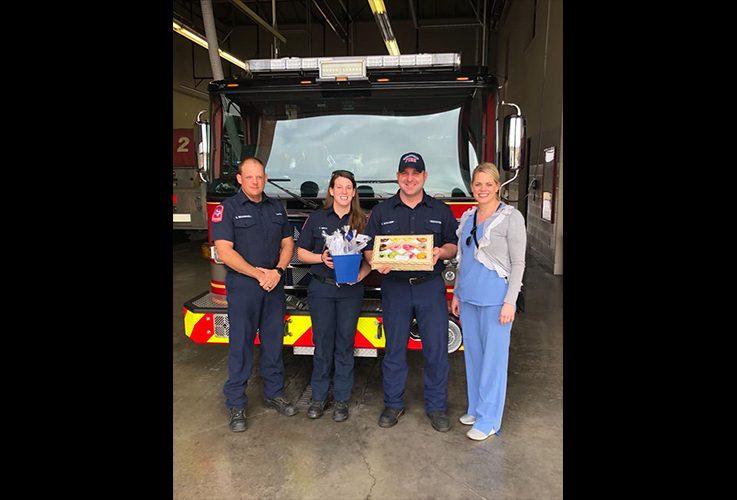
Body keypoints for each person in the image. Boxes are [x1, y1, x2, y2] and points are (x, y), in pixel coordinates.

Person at [364, 152, 459, 432]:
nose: (409, 178)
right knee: (394, 350)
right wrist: (375, 262)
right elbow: (370, 247)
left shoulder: (440, 210)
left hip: (430, 287)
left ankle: (437, 407)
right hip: (394, 288)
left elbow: (453, 245)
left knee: (436, 350)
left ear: (424, 177)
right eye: (404, 173)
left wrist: (442, 251)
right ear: (398, 177)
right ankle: (393, 404)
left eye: (415, 173)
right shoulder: (382, 211)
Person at [211, 157, 298, 433]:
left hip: (273, 285)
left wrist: (277, 270)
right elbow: (225, 252)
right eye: (250, 177)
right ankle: (236, 402)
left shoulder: (275, 207)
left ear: (265, 177)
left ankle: (274, 393)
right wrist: (257, 274)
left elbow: (288, 243)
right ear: (239, 179)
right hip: (245, 286)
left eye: (260, 177)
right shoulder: (229, 209)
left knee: (273, 343)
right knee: (241, 346)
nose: (256, 182)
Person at [450, 162, 526, 441]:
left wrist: (510, 301)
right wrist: (457, 293)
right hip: (469, 298)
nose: (482, 189)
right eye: (478, 184)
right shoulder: (468, 217)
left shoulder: (510, 217)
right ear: (472, 186)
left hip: (496, 300)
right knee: (474, 357)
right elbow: (462, 260)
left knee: (494, 361)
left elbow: (518, 263)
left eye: (488, 184)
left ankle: (490, 420)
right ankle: (477, 408)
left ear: (498, 186)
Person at [296, 170, 372, 422]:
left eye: (348, 187)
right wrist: (321, 258)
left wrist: (361, 274)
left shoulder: (363, 220)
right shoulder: (317, 218)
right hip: (321, 290)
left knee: (344, 346)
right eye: (338, 186)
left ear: (353, 192)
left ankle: (341, 400)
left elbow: (372, 257)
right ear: (330, 190)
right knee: (322, 346)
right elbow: (301, 254)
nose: (343, 191)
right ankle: (318, 398)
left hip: (350, 291)